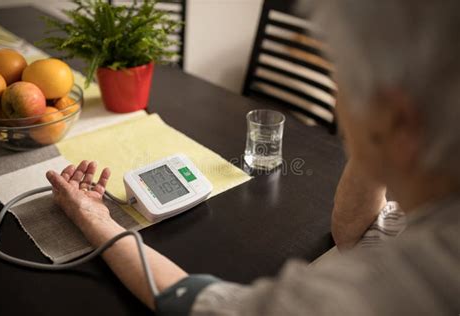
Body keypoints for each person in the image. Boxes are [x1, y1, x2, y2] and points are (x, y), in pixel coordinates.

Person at [45, 0, 460, 314]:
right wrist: (380, 144)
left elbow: (192, 301)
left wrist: (95, 218)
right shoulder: (420, 223)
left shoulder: (363, 297)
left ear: (397, 119)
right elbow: (357, 235)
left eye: (341, 82)